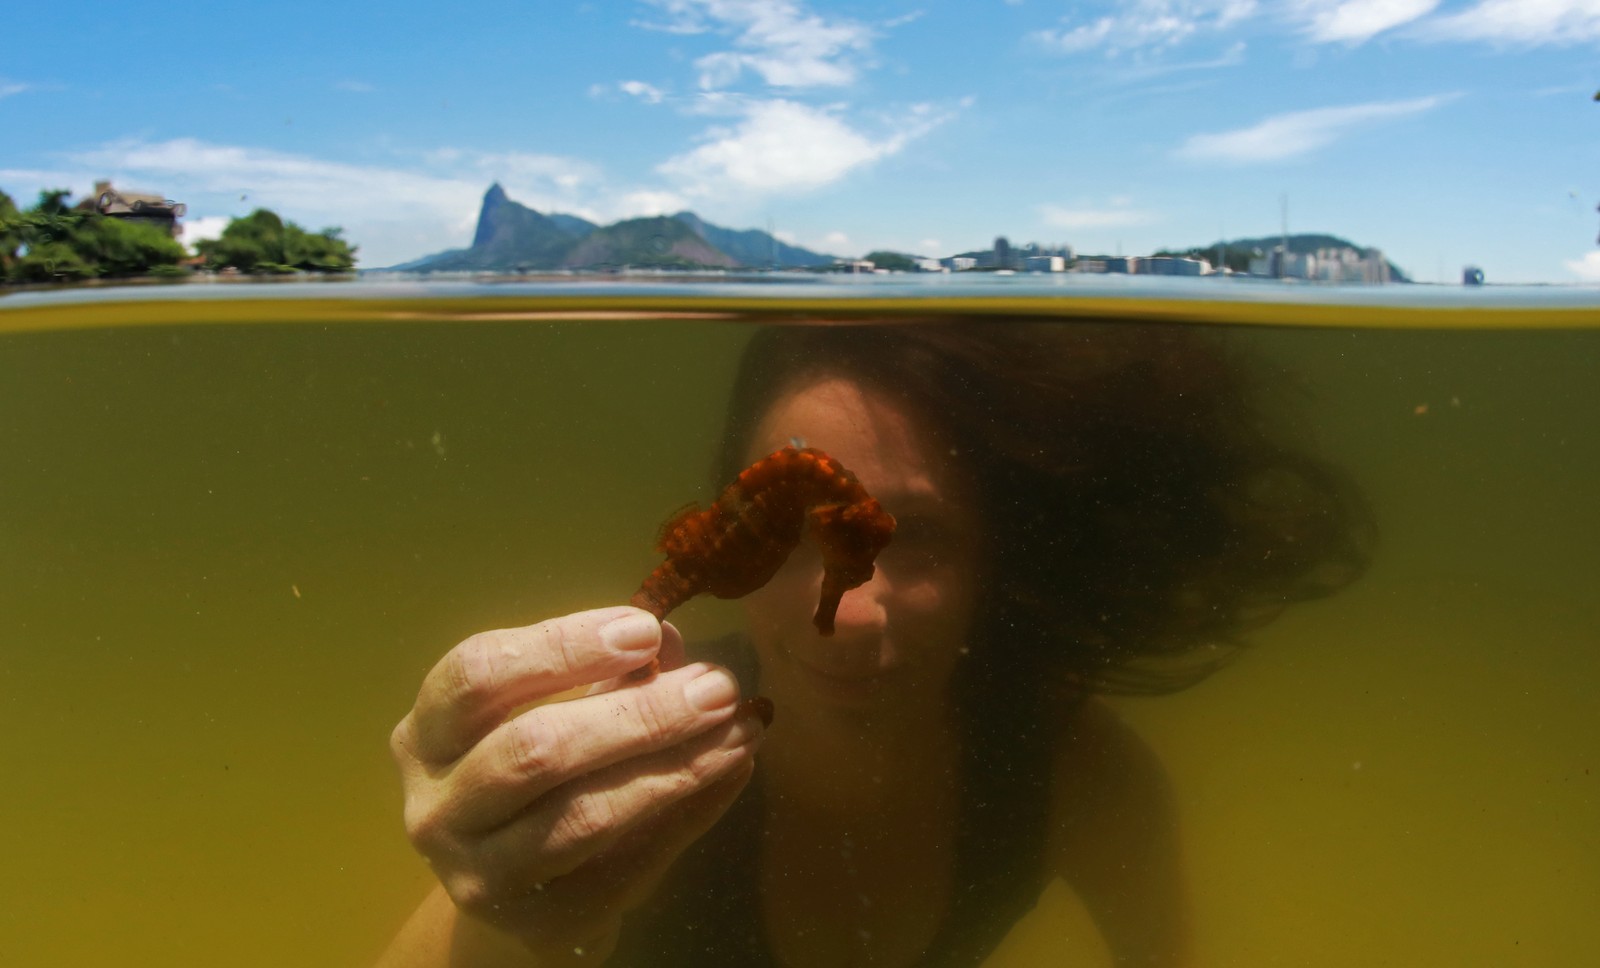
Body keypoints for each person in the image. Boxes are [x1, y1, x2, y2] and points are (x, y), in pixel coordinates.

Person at [380, 320, 1372, 967]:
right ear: (734, 525)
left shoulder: (1078, 771)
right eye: (789, 532)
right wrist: (510, 898)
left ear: (998, 559)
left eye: (922, 535)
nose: (848, 613)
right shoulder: (624, 756)